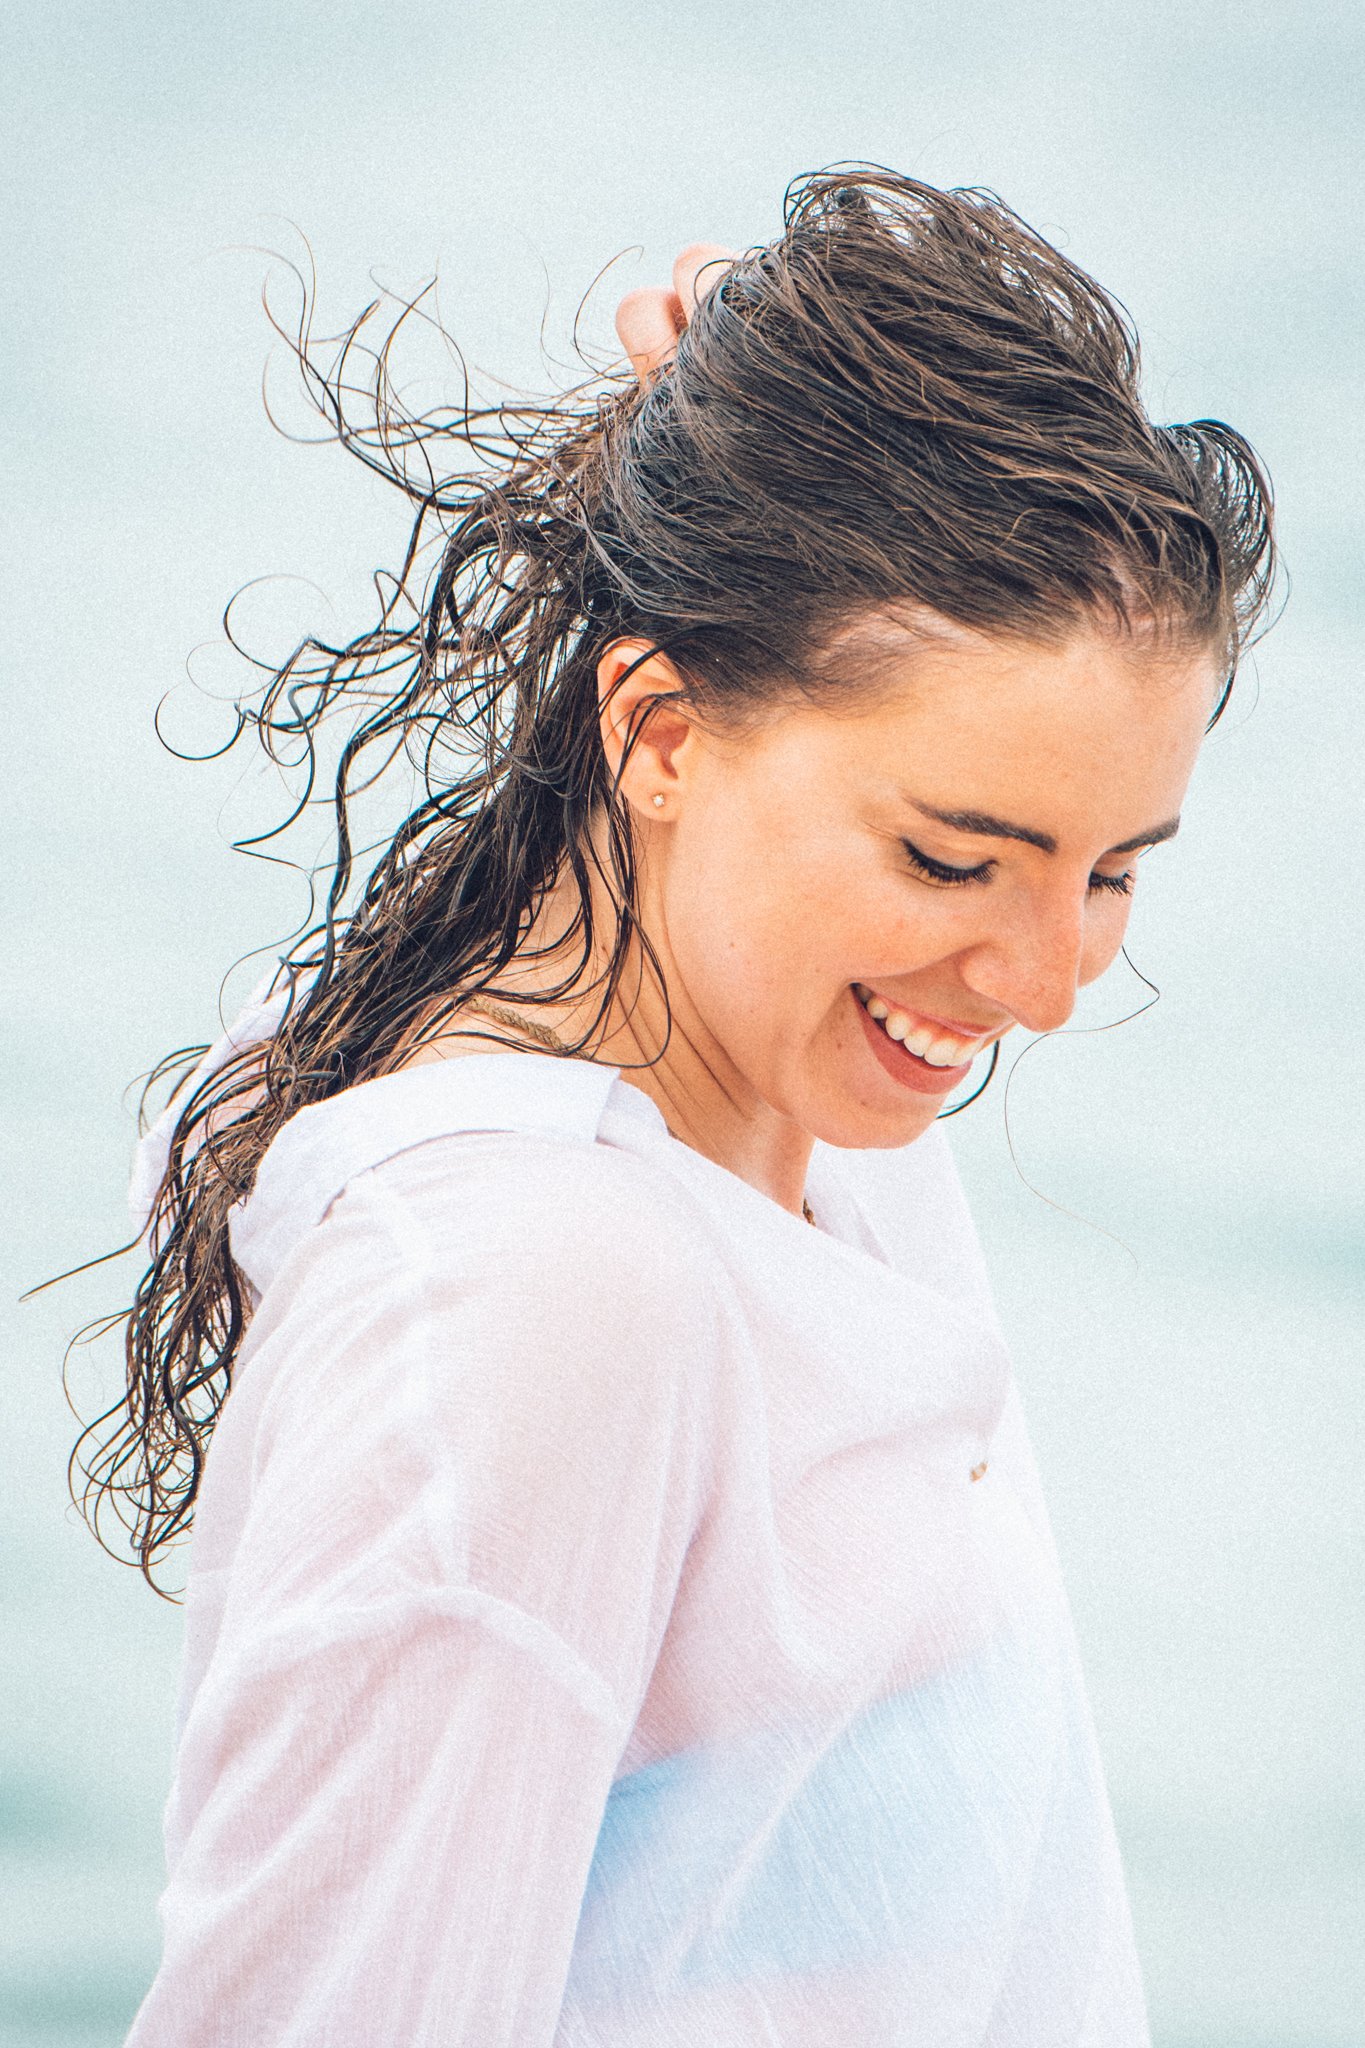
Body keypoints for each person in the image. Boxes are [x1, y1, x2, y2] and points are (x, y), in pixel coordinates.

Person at [89, 167, 1275, 2045]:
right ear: (653, 732)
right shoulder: (534, 1291)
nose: (1049, 986)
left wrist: (737, 385)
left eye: (1112, 870)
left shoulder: (779, 1080)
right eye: (957, 859)